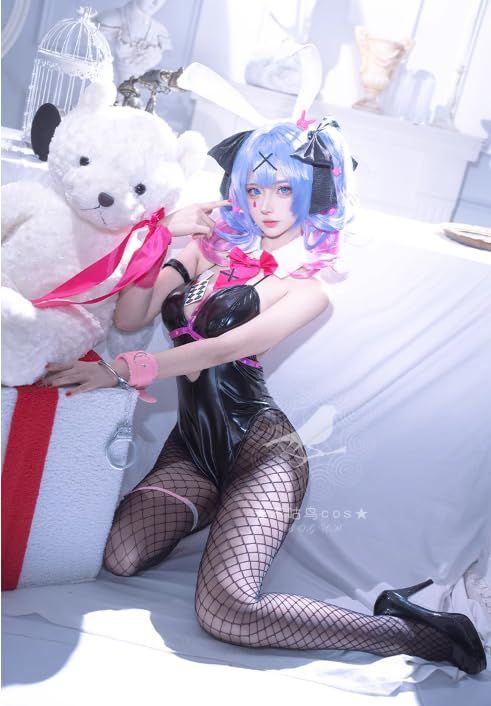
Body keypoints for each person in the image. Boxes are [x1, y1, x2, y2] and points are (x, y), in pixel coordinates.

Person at [43, 118, 486, 675]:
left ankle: (420, 634)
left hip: (264, 458)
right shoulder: (205, 253)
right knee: (119, 557)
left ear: (313, 193)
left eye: (283, 189)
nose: (266, 204)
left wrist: (120, 371)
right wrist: (161, 238)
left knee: (227, 613)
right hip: (194, 452)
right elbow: (132, 316)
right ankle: (209, 508)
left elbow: (222, 349)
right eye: (254, 189)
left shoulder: (307, 291)